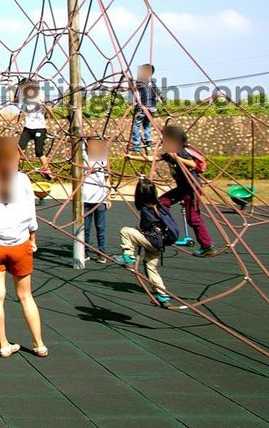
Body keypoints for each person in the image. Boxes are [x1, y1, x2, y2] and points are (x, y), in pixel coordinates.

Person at [0, 136, 47, 358]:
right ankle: (39, 344)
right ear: (15, 156)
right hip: (19, 245)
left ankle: (4, 345)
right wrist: (32, 237)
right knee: (26, 296)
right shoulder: (23, 180)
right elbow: (31, 214)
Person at [158, 124, 218, 257]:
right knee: (162, 202)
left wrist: (176, 157)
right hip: (182, 187)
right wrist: (131, 157)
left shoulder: (180, 151)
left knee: (193, 218)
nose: (163, 142)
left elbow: (192, 164)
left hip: (191, 187)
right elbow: (153, 159)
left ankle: (208, 246)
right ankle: (169, 229)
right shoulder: (169, 153)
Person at [115, 178, 175, 307]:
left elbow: (147, 225)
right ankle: (163, 296)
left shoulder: (146, 209)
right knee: (151, 267)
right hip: (160, 243)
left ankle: (129, 257)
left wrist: (142, 232)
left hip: (151, 241)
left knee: (125, 231)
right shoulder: (160, 205)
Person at [17, 79, 52, 179]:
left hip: (39, 128)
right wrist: (10, 84)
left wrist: (44, 105)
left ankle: (46, 169)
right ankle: (14, 168)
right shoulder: (24, 97)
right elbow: (14, 101)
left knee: (39, 151)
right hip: (28, 127)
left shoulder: (41, 95)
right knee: (19, 148)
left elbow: (50, 110)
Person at [82, 138, 111, 262]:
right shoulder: (83, 157)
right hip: (86, 198)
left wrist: (108, 197)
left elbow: (107, 179)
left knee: (101, 228)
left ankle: (101, 253)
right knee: (86, 229)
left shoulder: (103, 159)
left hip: (100, 199)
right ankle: (85, 252)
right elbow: (80, 144)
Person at [130, 64, 159, 154]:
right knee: (147, 124)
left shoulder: (140, 82)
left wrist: (130, 81)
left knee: (136, 125)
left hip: (143, 107)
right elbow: (159, 94)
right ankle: (148, 140)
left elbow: (133, 87)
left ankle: (136, 144)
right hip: (153, 108)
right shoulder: (153, 84)